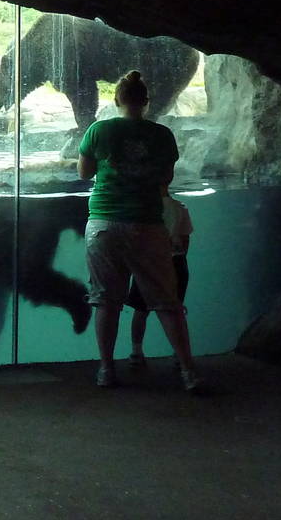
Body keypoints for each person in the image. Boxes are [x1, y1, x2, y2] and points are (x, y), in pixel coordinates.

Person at [77, 70, 204, 393]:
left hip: (104, 223)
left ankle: (106, 370)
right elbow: (166, 179)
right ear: (147, 101)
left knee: (106, 302)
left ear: (116, 99)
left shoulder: (98, 130)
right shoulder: (162, 135)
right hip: (147, 225)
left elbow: (84, 172)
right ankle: (188, 371)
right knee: (167, 302)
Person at [126, 186, 193, 370]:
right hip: (175, 263)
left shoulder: (143, 209)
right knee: (175, 311)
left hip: (147, 263)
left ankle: (136, 352)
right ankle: (180, 355)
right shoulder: (180, 208)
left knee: (140, 311)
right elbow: (185, 240)